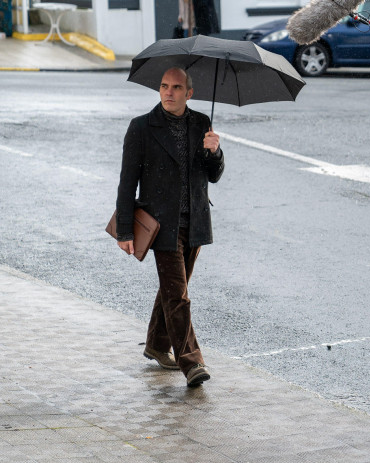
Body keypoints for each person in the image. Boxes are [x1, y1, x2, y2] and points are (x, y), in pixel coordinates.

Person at [116, 67, 225, 388]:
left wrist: (214, 151)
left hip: (195, 221)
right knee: (178, 295)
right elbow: (127, 183)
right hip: (160, 224)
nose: (168, 92)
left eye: (176, 88)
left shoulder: (201, 123)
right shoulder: (141, 127)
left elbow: (214, 175)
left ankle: (157, 343)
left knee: (172, 288)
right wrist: (124, 230)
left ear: (189, 93)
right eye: (164, 86)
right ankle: (191, 361)